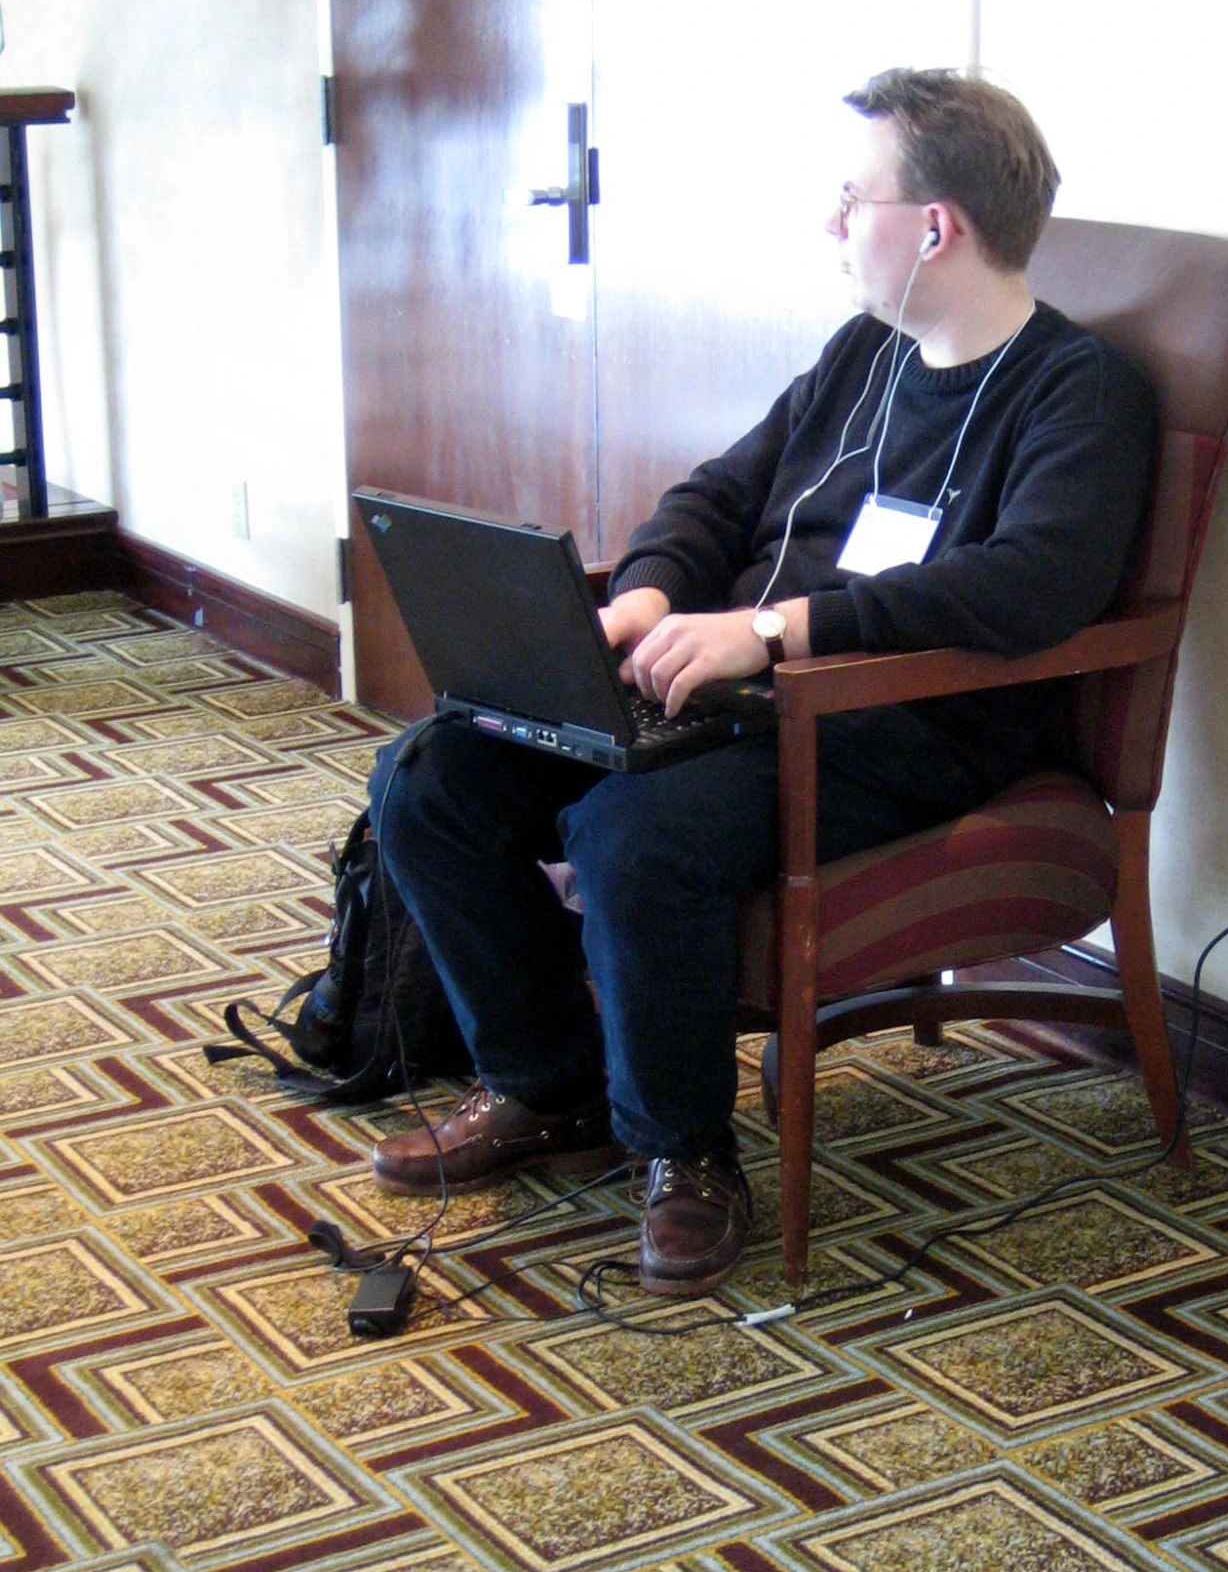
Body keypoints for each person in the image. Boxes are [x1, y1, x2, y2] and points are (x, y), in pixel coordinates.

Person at [367, 67, 1156, 1296]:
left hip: (901, 725)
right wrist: (646, 589)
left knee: (634, 829)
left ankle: (685, 1155)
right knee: (431, 774)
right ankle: (544, 1080)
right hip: (742, 688)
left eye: (854, 198)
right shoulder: (863, 355)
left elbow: (1027, 588)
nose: (833, 223)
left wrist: (774, 630)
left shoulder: (1080, 393)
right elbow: (719, 493)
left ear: (934, 226)